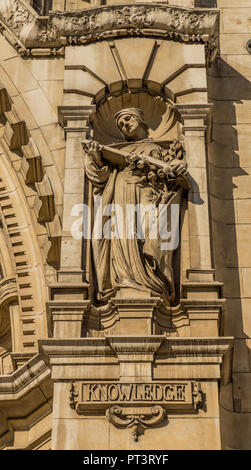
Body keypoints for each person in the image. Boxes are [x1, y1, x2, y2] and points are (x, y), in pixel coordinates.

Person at [83, 108, 187, 306]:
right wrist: (96, 157)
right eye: (121, 124)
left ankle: (152, 281)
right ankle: (126, 280)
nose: (125, 125)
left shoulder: (155, 147)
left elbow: (170, 171)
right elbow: (101, 178)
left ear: (140, 120)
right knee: (123, 236)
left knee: (150, 231)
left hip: (147, 193)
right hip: (121, 192)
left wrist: (176, 167)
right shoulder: (120, 151)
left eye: (128, 119)